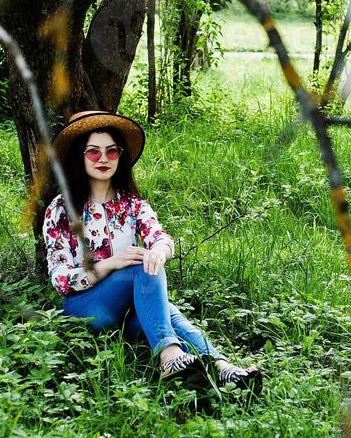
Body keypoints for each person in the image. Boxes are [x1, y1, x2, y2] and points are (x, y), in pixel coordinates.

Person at [37, 109, 263, 391]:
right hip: (86, 308)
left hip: (129, 314)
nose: (104, 158)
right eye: (93, 152)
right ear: (79, 157)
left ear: (121, 156)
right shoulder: (61, 209)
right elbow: (59, 280)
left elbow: (160, 237)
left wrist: (159, 251)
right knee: (137, 264)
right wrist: (110, 264)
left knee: (165, 307)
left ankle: (224, 369)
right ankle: (170, 357)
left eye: (112, 151)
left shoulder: (133, 205)